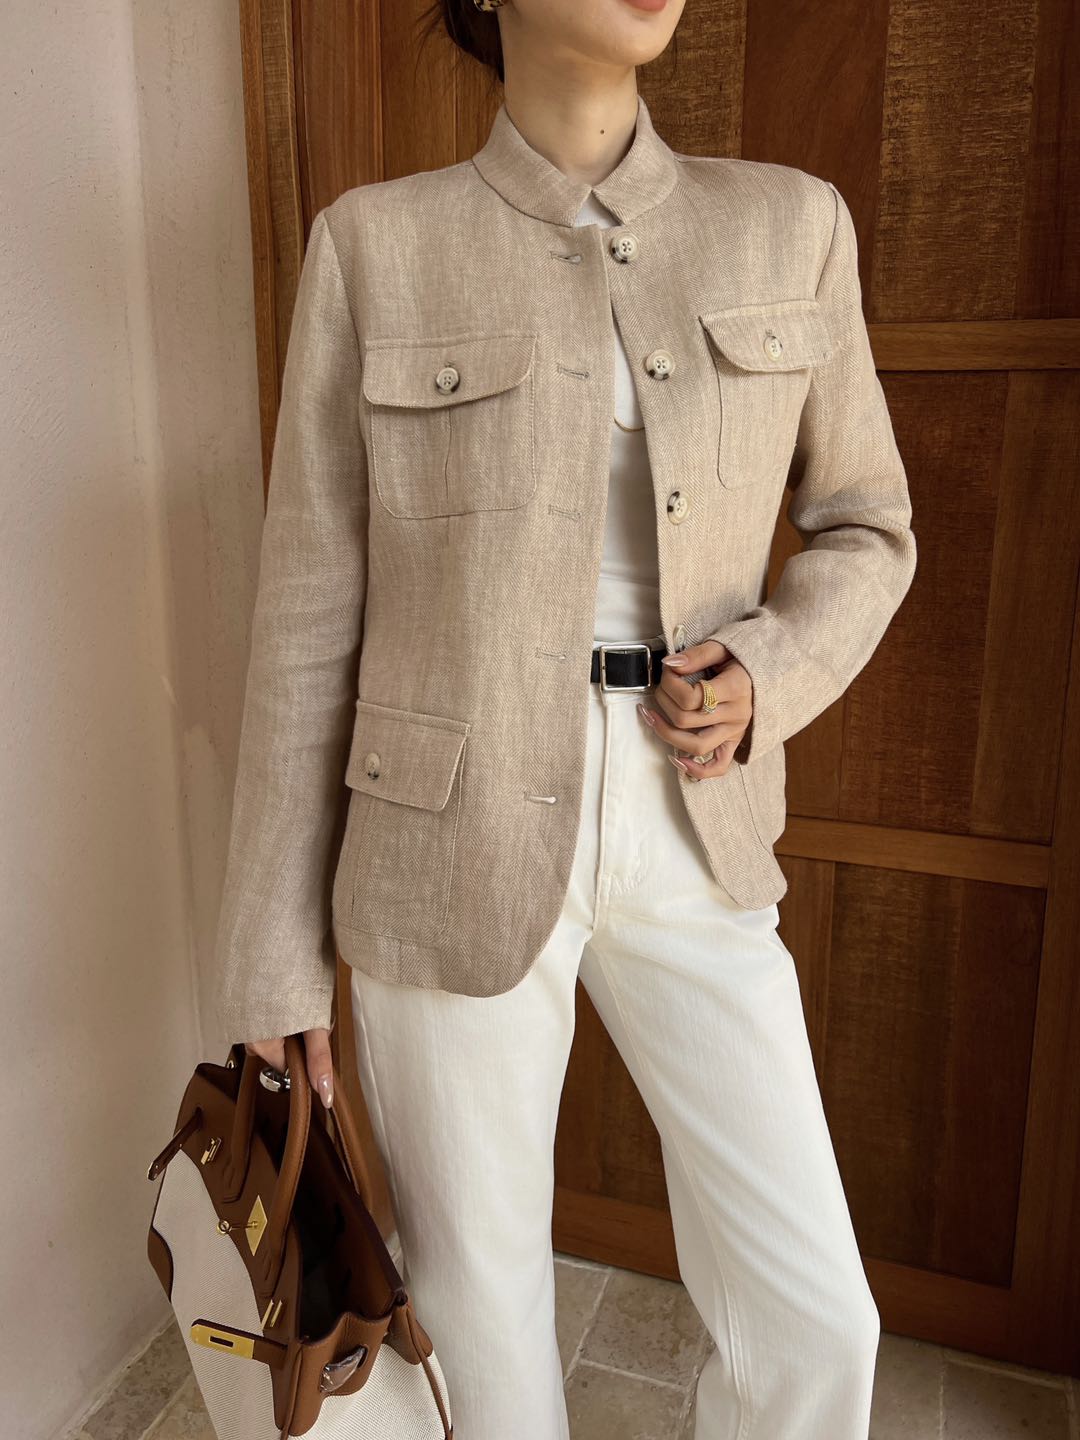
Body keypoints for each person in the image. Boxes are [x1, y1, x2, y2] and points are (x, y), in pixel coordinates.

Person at [213, 0, 917, 1435]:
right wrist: (273, 961)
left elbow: (868, 525)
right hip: (441, 836)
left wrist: (770, 670)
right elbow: (306, 621)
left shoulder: (791, 225)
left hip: (696, 820)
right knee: (483, 1322)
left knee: (817, 1318)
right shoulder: (375, 245)